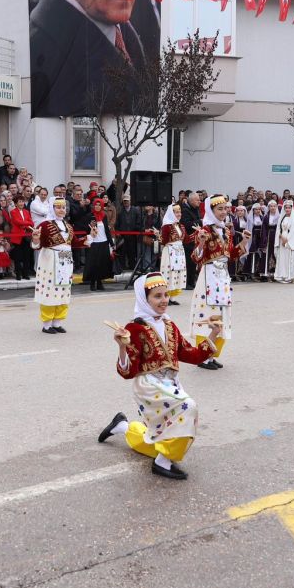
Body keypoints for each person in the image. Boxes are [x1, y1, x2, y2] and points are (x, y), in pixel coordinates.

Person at [98, 272, 222, 480]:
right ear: (144, 299)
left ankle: (123, 426)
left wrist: (213, 335)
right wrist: (121, 347)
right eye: (157, 296)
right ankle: (162, 463)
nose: (164, 300)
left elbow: (190, 354)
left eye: (165, 295)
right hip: (148, 385)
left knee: (162, 434)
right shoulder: (134, 328)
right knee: (187, 407)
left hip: (170, 384)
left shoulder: (169, 325)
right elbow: (128, 372)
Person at [189, 195, 248, 370]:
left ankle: (212, 354)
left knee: (222, 315)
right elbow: (195, 257)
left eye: (225, 209)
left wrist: (244, 241)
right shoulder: (204, 230)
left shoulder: (227, 231)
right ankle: (202, 356)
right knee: (208, 315)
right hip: (208, 276)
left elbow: (230, 255)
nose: (223, 212)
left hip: (223, 277)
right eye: (219, 209)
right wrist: (200, 243)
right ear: (211, 210)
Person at [32, 197, 90, 333]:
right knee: (49, 292)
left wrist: (89, 238)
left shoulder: (68, 225)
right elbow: (37, 246)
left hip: (65, 260)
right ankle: (47, 325)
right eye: (58, 207)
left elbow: (74, 243)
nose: (61, 210)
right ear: (52, 208)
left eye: (63, 207)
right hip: (50, 261)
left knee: (63, 291)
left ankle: (57, 322)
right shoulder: (44, 225)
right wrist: (35, 238)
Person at [157, 203, 187, 304]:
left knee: (177, 273)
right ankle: (166, 297)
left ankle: (172, 298)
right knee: (169, 273)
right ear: (171, 213)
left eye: (180, 212)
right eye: (176, 212)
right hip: (170, 252)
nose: (179, 214)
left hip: (179, 253)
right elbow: (163, 241)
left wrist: (198, 234)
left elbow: (186, 240)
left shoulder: (181, 226)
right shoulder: (167, 226)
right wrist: (158, 236)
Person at [84, 198, 113, 290]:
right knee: (93, 264)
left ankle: (99, 283)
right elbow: (86, 229)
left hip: (103, 242)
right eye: (96, 204)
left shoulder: (104, 216)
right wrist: (91, 229)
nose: (97, 206)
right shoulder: (90, 216)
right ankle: (92, 283)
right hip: (94, 242)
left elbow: (107, 230)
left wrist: (111, 243)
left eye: (99, 205)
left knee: (102, 263)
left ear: (102, 206)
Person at [274, 199, 294, 283]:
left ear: (291, 208)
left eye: (289, 208)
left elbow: (293, 231)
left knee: (289, 258)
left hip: (288, 242)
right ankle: (281, 275)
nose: (287, 209)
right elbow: (278, 228)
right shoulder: (282, 218)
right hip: (282, 240)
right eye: (286, 208)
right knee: (282, 259)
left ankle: (289, 276)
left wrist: (287, 240)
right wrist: (280, 237)